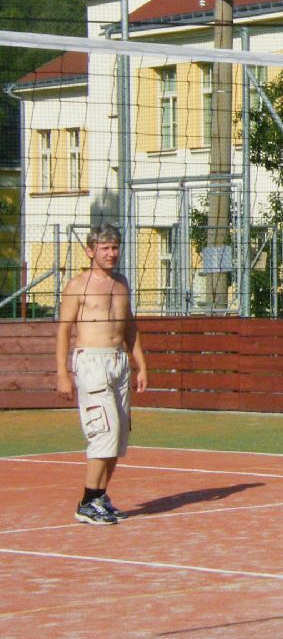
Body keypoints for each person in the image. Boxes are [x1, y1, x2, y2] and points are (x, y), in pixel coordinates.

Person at [55, 223, 147, 525]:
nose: (111, 253)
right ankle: (87, 502)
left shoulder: (121, 283)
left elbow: (129, 325)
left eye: (115, 247)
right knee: (103, 431)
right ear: (90, 251)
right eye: (105, 248)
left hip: (118, 361)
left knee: (118, 435)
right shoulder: (77, 286)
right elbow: (64, 331)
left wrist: (140, 364)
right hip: (91, 362)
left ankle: (100, 496)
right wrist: (62, 373)